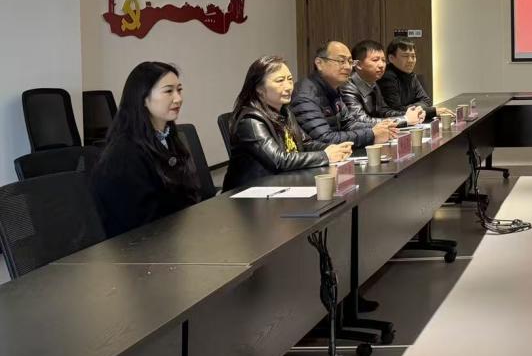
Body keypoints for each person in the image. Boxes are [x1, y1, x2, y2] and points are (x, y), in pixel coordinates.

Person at [91, 62, 202, 237]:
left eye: (179, 90)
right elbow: (141, 220)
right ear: (143, 98)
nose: (178, 98)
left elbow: (186, 194)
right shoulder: (124, 153)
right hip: (142, 244)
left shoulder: (168, 137)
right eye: (168, 91)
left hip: (175, 234)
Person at [223, 55, 353, 190]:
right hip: (249, 192)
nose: (288, 87)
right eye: (280, 81)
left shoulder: (285, 112)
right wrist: (325, 156)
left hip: (281, 184)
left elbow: (306, 144)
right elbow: (279, 160)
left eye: (290, 79)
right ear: (259, 88)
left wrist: (333, 149)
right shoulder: (250, 120)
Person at [291, 40, 397, 149]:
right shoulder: (306, 95)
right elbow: (325, 138)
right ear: (319, 63)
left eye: (350, 62)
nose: (348, 67)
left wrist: (381, 127)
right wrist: (372, 134)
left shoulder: (333, 87)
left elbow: (349, 124)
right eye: (341, 61)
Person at [342, 39, 428, 127]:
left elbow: (383, 111)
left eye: (383, 60)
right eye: (375, 60)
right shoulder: (348, 87)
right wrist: (405, 119)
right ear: (358, 65)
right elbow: (360, 120)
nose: (381, 65)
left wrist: (412, 114)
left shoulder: (374, 84)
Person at [378, 37, 444, 118]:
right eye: (405, 56)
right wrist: (431, 111)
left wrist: (410, 108)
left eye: (413, 56)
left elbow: (426, 101)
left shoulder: (411, 75)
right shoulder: (387, 77)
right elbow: (396, 110)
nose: (410, 60)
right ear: (391, 58)